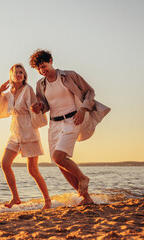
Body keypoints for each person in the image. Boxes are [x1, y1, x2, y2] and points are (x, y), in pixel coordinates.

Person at [29, 49, 110, 205]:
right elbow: (45, 105)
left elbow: (89, 92)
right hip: (54, 123)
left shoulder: (69, 76)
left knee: (58, 157)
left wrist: (83, 109)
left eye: (43, 66)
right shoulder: (41, 84)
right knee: (60, 163)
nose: (42, 70)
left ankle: (83, 177)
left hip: (73, 119)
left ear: (51, 61)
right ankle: (86, 198)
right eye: (38, 69)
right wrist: (38, 106)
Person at [0, 63, 51, 209]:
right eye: (16, 72)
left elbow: (35, 107)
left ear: (24, 76)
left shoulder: (28, 89)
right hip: (15, 132)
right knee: (5, 164)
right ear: (11, 75)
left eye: (21, 72)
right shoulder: (9, 93)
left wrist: (36, 108)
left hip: (29, 131)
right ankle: (16, 197)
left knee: (33, 170)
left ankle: (47, 200)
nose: (19, 74)